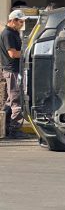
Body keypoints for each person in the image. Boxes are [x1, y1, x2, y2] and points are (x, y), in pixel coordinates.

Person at [1, 9, 26, 137]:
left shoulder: (14, 33)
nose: (22, 24)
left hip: (14, 71)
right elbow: (13, 53)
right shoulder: (8, 34)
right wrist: (27, 53)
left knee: (10, 101)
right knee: (17, 101)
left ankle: (4, 127)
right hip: (12, 71)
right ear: (13, 20)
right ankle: (14, 130)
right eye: (20, 21)